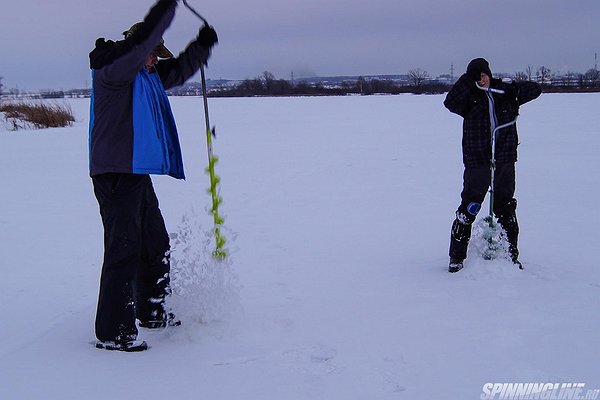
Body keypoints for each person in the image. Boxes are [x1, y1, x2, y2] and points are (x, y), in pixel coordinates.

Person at [88, 0, 218, 351]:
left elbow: (177, 70)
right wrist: (167, 7)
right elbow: (145, 40)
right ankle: (114, 331)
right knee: (124, 248)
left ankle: (152, 310)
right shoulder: (114, 71)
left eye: (157, 56)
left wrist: (201, 47)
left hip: (134, 173)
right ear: (137, 50)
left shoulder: (146, 78)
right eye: (151, 54)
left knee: (155, 242)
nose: (154, 60)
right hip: (114, 173)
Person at [443, 58, 541, 273]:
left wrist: (510, 88)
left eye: (484, 75)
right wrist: (468, 81)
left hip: (504, 157)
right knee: (470, 206)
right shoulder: (469, 97)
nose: (482, 80)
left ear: (489, 74)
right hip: (477, 158)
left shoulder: (504, 93)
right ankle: (456, 257)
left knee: (505, 206)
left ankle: (510, 254)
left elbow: (536, 89)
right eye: (477, 76)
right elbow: (450, 102)